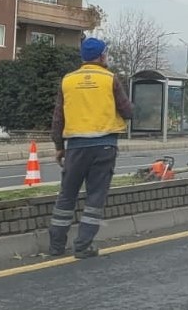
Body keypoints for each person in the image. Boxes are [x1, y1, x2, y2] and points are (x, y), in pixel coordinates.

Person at [49, 37, 132, 259]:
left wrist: (59, 146)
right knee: (95, 197)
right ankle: (83, 245)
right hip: (104, 146)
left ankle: (56, 246)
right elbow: (128, 111)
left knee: (66, 195)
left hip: (75, 147)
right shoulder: (110, 79)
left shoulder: (67, 81)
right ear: (102, 56)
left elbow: (58, 117)